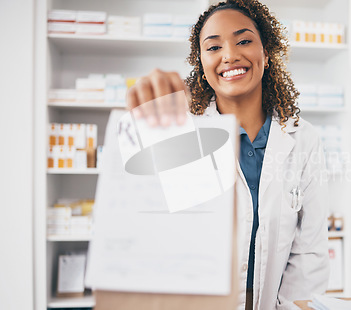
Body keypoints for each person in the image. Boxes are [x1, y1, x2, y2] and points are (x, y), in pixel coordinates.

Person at [127, 0, 330, 309]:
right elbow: (153, 237)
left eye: (244, 41)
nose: (230, 55)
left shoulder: (304, 139)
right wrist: (145, 121)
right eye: (213, 47)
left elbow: (309, 255)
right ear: (202, 66)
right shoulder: (181, 137)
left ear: (266, 52)